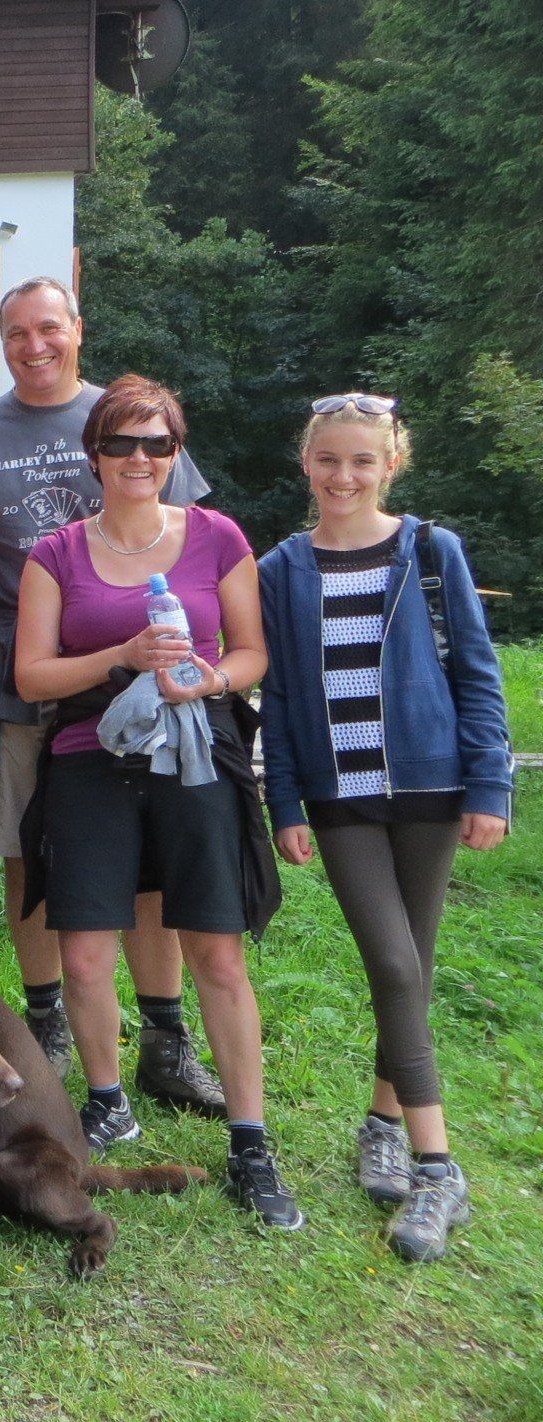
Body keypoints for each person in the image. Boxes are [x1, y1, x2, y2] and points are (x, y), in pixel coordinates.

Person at [14, 377, 302, 1230]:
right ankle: (107, 1099)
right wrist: (125, 656)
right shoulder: (56, 553)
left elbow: (251, 653)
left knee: (217, 951)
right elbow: (32, 675)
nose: (140, 460)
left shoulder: (217, 537)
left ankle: (250, 1140)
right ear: (94, 454)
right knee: (88, 954)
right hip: (88, 760)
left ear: (177, 455)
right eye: (122, 444)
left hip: (197, 756)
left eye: (157, 445)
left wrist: (209, 676)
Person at [0, 276, 223, 1116]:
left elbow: (197, 544)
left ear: (77, 329)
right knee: (23, 847)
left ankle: (166, 1042)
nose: (33, 347)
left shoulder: (127, 419)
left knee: (144, 866)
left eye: (48, 329)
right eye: (16, 334)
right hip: (29, 678)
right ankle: (45, 1025)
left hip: (141, 684)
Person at [259, 395, 512, 1262]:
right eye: (329, 459)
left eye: (362, 461)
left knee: (414, 962)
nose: (345, 476)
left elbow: (477, 674)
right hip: (342, 797)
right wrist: (284, 801)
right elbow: (282, 698)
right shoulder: (283, 568)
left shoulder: (431, 550)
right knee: (394, 961)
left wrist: (492, 785)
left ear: (390, 465)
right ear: (307, 463)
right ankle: (440, 1166)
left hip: (435, 787)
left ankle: (387, 1126)